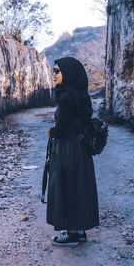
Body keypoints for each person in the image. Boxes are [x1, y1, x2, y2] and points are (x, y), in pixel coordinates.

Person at [46, 57, 99, 246]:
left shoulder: (67, 96)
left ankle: (72, 233)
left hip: (68, 149)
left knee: (67, 186)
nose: (54, 74)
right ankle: (79, 230)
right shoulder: (79, 94)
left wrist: (52, 131)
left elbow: (61, 128)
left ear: (68, 73)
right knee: (78, 185)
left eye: (57, 71)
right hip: (79, 149)